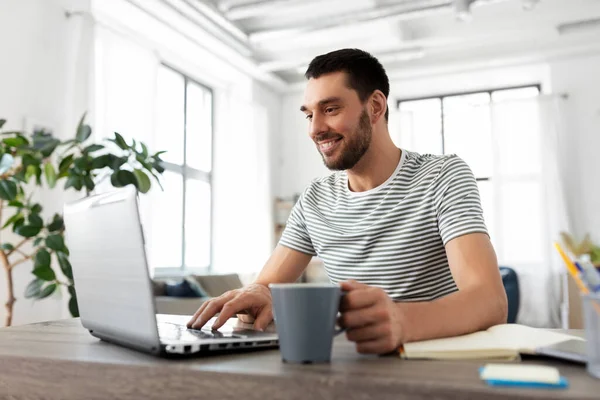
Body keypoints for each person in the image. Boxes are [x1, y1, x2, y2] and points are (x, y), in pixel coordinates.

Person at [187, 48, 507, 355]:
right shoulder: (315, 199)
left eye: (330, 109)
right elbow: (266, 288)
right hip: (354, 366)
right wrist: (257, 293)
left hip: (436, 370)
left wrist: (401, 321)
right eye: (309, 114)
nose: (315, 129)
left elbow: (490, 301)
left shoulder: (442, 176)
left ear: (376, 107)